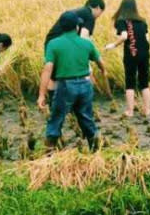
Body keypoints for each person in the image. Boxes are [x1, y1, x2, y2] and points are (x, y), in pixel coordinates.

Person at [38, 11, 107, 151]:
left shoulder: (54, 44)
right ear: (77, 27)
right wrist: (103, 71)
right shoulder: (86, 43)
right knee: (86, 118)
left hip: (66, 86)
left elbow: (48, 69)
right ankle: (95, 150)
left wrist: (42, 94)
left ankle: (50, 152)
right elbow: (100, 62)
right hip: (85, 85)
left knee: (57, 118)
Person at [44, 0, 106, 102]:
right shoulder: (89, 16)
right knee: (82, 75)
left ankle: (52, 105)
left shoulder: (77, 12)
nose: (99, 16)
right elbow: (84, 37)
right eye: (101, 12)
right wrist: (88, 62)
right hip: (64, 44)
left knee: (54, 76)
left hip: (50, 42)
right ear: (98, 8)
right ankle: (83, 103)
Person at [104, 0, 150, 117]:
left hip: (131, 54)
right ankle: (147, 110)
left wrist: (113, 45)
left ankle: (130, 111)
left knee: (130, 81)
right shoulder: (142, 21)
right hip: (144, 53)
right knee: (144, 82)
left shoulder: (122, 21)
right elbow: (147, 38)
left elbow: (125, 36)